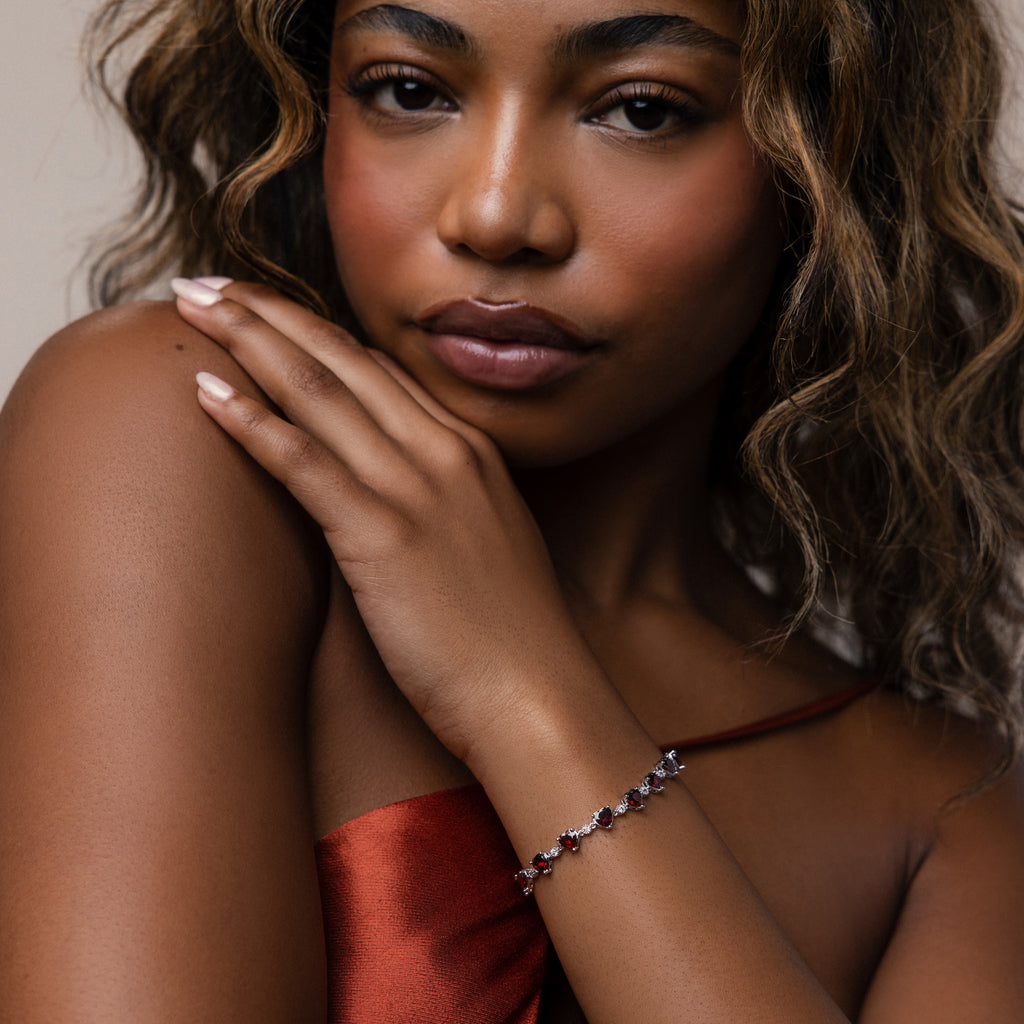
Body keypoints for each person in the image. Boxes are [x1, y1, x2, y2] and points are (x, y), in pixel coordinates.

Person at [1, 0, 1023, 1020]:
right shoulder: (182, 434)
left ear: (828, 160)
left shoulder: (947, 814)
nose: (494, 215)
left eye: (640, 110)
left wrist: (523, 691)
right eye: (407, 90)